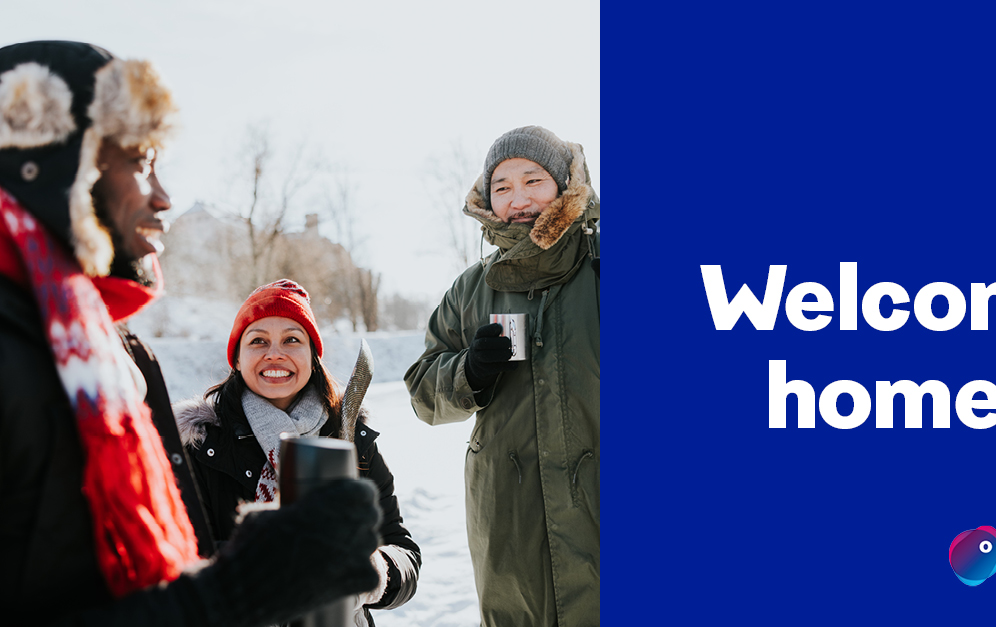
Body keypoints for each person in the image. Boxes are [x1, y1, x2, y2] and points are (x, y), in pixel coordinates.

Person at [0, 40, 382, 626]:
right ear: (51, 163)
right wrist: (236, 592)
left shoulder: (113, 354)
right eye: (140, 160)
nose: (163, 198)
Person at [405, 126, 600, 626]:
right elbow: (423, 390)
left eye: (533, 181)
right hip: (509, 511)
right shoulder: (473, 288)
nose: (518, 199)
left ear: (563, 184)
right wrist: (467, 372)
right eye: (503, 186)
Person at [174, 279, 421, 625]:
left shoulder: (350, 436)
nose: (275, 353)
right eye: (258, 340)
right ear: (238, 358)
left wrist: (373, 572)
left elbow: (403, 550)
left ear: (312, 355)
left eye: (292, 339)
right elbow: (174, 558)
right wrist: (268, 566)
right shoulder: (198, 445)